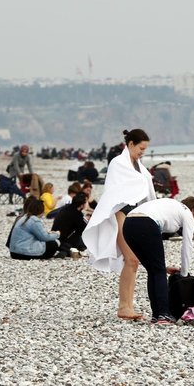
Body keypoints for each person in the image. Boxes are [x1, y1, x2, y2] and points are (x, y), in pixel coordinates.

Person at [82, 128, 157, 321]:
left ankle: (127, 306)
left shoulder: (138, 165)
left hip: (133, 214)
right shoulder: (118, 163)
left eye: (145, 149)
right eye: (141, 148)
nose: (143, 152)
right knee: (131, 259)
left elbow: (145, 187)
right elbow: (114, 192)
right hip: (119, 214)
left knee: (133, 261)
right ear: (131, 144)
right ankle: (124, 307)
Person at [123, 197, 194, 324]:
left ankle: (156, 315)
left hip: (128, 223)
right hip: (146, 223)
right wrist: (184, 273)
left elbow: (152, 256)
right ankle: (163, 315)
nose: (193, 221)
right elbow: (187, 244)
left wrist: (163, 267)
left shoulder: (170, 205)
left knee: (153, 270)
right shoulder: (186, 212)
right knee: (157, 271)